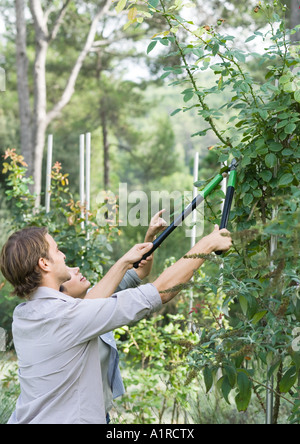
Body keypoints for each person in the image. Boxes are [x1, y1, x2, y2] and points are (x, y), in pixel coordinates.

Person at [0, 224, 232, 424]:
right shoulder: (66, 316)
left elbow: (88, 304)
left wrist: (123, 262)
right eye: (57, 250)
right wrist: (206, 245)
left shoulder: (25, 314)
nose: (63, 256)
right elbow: (158, 293)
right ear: (44, 263)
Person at [59, 211, 168, 424]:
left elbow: (138, 273)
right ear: (60, 293)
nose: (76, 269)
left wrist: (150, 238)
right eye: (68, 274)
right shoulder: (65, 322)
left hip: (102, 415)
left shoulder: (98, 297)